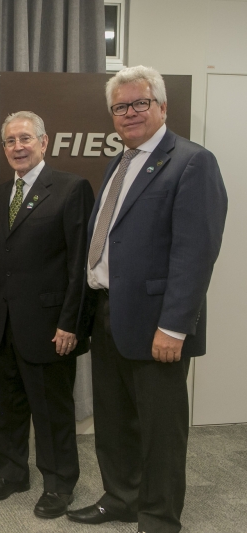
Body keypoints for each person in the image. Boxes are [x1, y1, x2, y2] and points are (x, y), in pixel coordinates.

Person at [66, 66, 227, 533]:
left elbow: (196, 253)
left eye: (140, 103)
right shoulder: (119, 161)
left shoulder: (192, 162)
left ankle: (158, 517)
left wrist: (175, 325)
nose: (130, 113)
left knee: (160, 431)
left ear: (162, 107)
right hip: (108, 313)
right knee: (114, 421)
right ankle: (121, 497)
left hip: (158, 322)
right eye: (121, 106)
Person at [0, 111, 93, 518]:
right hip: (4, 323)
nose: (17, 147)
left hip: (49, 326)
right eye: (10, 141)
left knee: (52, 411)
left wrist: (70, 323)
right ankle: (11, 473)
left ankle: (59, 485)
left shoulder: (70, 188)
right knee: (6, 406)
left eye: (25, 138)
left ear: (44, 143)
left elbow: (81, 263)